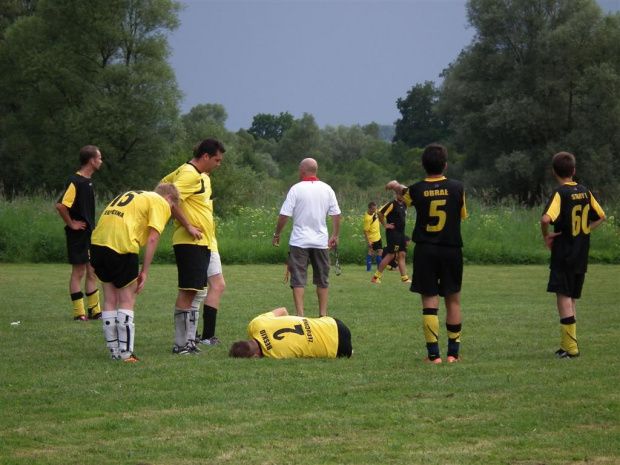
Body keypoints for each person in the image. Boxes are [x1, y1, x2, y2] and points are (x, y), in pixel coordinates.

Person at [386, 143, 467, 364]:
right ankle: (453, 353)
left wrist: (394, 185)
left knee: (429, 302)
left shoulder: (417, 189)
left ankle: (434, 356)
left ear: (422, 165)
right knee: (453, 301)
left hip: (426, 249)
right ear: (446, 165)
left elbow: (404, 193)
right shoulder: (457, 188)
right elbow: (460, 215)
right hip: (451, 249)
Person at [90, 183, 180, 362]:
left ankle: (114, 351)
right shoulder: (160, 201)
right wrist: (144, 271)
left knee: (109, 299)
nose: (169, 212)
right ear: (169, 198)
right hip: (121, 246)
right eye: (172, 208)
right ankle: (126, 354)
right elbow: (154, 237)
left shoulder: (136, 195)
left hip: (98, 243)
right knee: (127, 298)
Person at [161, 138, 226, 355]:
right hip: (189, 242)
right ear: (205, 156)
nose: (219, 164)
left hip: (202, 242)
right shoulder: (189, 174)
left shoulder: (193, 174)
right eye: (216, 160)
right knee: (188, 291)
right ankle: (181, 344)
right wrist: (187, 224)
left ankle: (189, 342)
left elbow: (163, 185)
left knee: (196, 290)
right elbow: (167, 197)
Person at [541, 152, 606, 359]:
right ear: (574, 171)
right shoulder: (585, 192)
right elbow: (602, 216)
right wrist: (586, 229)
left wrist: (547, 235)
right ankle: (567, 345)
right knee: (571, 299)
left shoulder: (560, 193)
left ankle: (571, 348)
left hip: (564, 252)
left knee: (563, 298)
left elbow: (545, 219)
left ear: (554, 172)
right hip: (581, 252)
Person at [273, 158, 341, 317]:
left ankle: (300, 314)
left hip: (299, 241)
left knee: (298, 279)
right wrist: (335, 235)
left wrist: (277, 234)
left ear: (303, 170)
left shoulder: (296, 189)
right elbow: (336, 214)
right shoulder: (327, 189)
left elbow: (284, 215)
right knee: (322, 278)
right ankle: (323, 315)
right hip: (320, 241)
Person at [56, 145, 103, 321]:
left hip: (90, 233)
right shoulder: (76, 181)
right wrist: (72, 224)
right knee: (79, 271)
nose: (101, 161)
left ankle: (95, 310)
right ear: (91, 160)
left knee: (92, 271)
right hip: (78, 234)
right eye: (99, 158)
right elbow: (61, 205)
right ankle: (79, 313)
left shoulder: (88, 181)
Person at [229, 307, 353, 359]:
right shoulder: (255, 325)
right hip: (334, 323)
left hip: (339, 348)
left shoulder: (275, 355)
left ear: (255, 357)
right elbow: (283, 310)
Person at [371, 195, 410, 284]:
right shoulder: (392, 204)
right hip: (393, 233)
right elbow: (380, 213)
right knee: (391, 255)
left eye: (403, 193)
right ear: (396, 194)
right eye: (400, 193)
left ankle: (404, 278)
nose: (402, 195)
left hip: (401, 233)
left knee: (402, 254)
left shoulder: (404, 204)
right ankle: (376, 277)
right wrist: (385, 225)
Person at [363, 201, 383, 271]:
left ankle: (379, 268)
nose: (375, 210)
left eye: (376, 208)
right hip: (373, 238)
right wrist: (369, 241)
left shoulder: (375, 213)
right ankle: (369, 269)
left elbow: (380, 211)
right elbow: (365, 231)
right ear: (369, 209)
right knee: (371, 251)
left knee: (380, 251)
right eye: (374, 209)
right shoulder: (368, 218)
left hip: (378, 236)